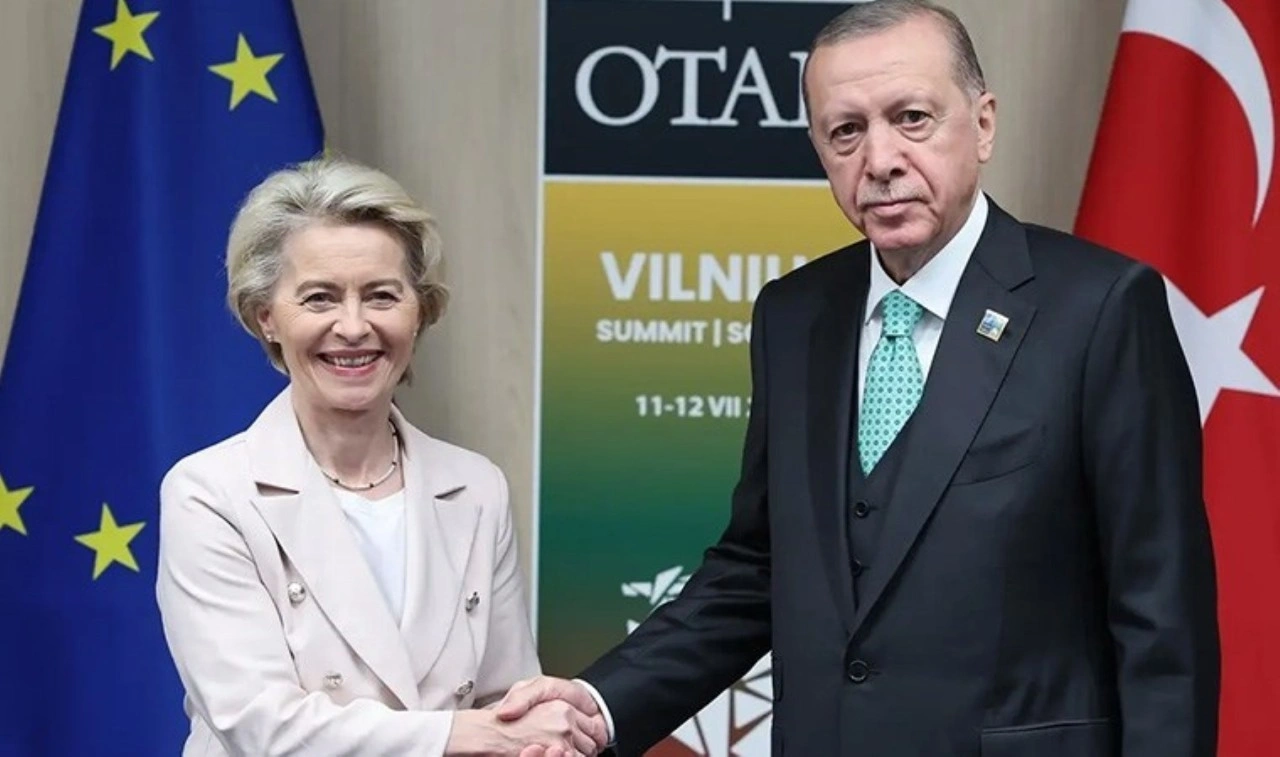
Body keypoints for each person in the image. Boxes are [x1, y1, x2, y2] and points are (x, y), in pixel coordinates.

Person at [497, 2, 1220, 755]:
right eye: (846, 131)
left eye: (911, 118)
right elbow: (758, 570)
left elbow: (1160, 609)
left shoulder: (1099, 307)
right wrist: (599, 704)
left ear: (983, 125)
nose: (879, 160)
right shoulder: (794, 315)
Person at [156, 157, 605, 756]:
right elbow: (262, 726)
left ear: (420, 312)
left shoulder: (477, 487)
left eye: (381, 296)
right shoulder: (210, 492)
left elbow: (506, 706)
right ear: (266, 317)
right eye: (319, 298)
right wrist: (464, 734)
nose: (353, 326)